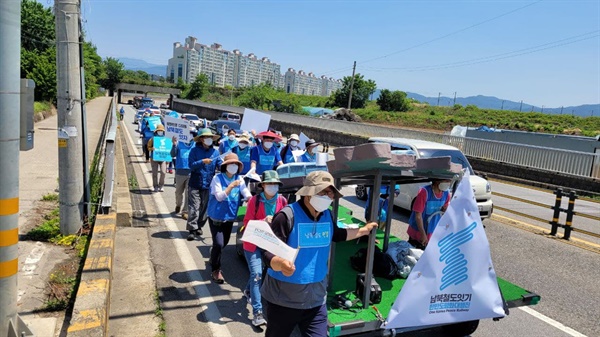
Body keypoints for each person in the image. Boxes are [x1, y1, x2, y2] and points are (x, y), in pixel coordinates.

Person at [261, 171, 378, 337]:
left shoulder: (327, 215)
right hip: (284, 300)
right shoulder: (286, 216)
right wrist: (279, 263)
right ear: (309, 193)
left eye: (330, 192)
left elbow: (337, 234)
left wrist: (364, 231)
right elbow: (267, 252)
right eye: (323, 192)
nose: (328, 196)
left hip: (315, 300)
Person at [241, 170, 287, 327]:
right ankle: (257, 313)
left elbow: (286, 223)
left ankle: (248, 291)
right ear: (263, 185)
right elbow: (247, 223)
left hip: (270, 244)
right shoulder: (254, 201)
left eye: (275, 184)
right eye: (269, 183)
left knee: (260, 273)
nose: (272, 187)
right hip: (253, 243)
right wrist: (263, 221)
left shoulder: (282, 201)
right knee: (257, 274)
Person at [206, 153, 251, 284]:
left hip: (230, 216)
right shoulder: (217, 178)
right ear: (225, 166)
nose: (233, 167)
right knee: (219, 243)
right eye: (231, 164)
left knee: (223, 243)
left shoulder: (240, 179)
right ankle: (216, 270)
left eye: (236, 164)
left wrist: (250, 199)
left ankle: (214, 255)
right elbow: (219, 196)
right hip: (216, 216)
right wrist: (231, 186)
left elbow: (245, 192)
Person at [187, 128, 222, 241]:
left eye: (211, 137)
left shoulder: (215, 152)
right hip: (195, 182)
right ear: (201, 139)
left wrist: (226, 165)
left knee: (204, 207)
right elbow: (191, 165)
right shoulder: (194, 151)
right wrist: (202, 162)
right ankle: (192, 229)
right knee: (194, 206)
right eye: (207, 137)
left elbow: (219, 165)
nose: (209, 139)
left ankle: (199, 226)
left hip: (208, 183)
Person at [407, 179, 452, 249]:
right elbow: (418, 215)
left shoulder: (447, 194)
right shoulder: (424, 192)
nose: (448, 183)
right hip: (418, 232)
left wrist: (445, 209)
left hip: (432, 231)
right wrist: (423, 234)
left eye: (450, 181)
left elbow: (444, 210)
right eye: (446, 181)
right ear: (437, 180)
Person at [171, 136, 194, 219]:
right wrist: (174, 145)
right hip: (180, 172)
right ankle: (178, 204)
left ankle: (185, 211)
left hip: (191, 173)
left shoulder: (195, 145)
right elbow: (172, 154)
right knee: (178, 192)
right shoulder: (179, 143)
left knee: (188, 193)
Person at [147, 124, 170, 192]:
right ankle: (155, 186)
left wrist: (168, 159)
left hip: (163, 158)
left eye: (161, 131)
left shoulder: (166, 139)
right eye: (159, 130)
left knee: (163, 172)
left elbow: (168, 150)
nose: (160, 132)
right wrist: (152, 148)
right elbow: (148, 147)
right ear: (156, 131)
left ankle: (161, 185)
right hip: (154, 158)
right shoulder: (153, 139)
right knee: (155, 173)